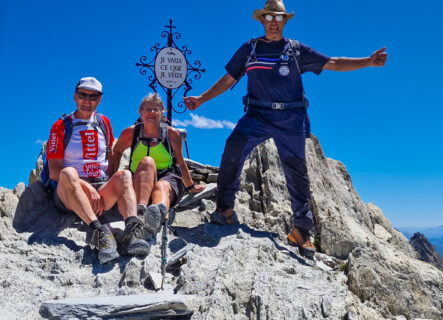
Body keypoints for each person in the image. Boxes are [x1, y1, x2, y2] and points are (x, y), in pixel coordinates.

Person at [183, 0, 387, 258]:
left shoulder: (296, 50)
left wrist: (367, 61)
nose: (273, 22)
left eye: (278, 18)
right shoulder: (250, 48)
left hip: (291, 117)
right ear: (262, 20)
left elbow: (333, 62)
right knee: (233, 148)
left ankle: (302, 231)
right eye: (269, 18)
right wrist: (201, 99)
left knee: (296, 172)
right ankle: (225, 208)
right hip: (257, 114)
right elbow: (228, 80)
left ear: (284, 21)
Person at [46, 77, 150, 264]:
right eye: (83, 95)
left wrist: (109, 184)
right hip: (68, 191)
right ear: (75, 97)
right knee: (68, 173)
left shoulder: (104, 123)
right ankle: (100, 234)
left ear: (99, 100)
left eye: (93, 97)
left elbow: (111, 154)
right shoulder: (61, 126)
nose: (87, 100)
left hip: (99, 186)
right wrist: (86, 188)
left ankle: (132, 235)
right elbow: (55, 172)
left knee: (125, 175)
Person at [109, 93, 205, 238]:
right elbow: (116, 152)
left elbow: (180, 161)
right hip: (139, 179)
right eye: (147, 109)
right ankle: (142, 214)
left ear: (162, 113)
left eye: (156, 109)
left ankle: (156, 213)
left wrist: (191, 187)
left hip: (168, 177)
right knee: (147, 162)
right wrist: (110, 180)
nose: (151, 113)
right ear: (140, 112)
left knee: (161, 186)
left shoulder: (171, 134)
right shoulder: (131, 133)